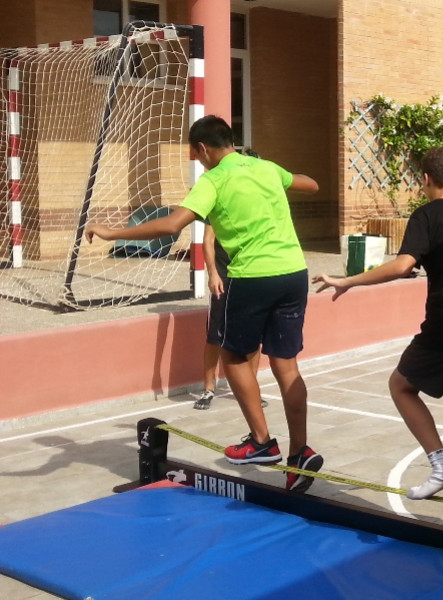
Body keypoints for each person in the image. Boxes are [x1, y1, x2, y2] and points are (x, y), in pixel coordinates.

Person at [85, 115, 326, 490]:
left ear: (202, 149)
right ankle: (300, 454)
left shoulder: (213, 181)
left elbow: (170, 226)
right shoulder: (265, 168)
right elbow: (310, 184)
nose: (198, 163)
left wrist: (110, 231)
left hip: (252, 278)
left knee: (233, 359)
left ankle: (262, 442)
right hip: (294, 273)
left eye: (196, 157)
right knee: (286, 366)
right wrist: (279, 183)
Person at [313, 147, 443, 536]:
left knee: (400, 385)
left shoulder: (425, 216)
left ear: (425, 180)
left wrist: (348, 280)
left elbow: (404, 264)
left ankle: (440, 462)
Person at [195, 148, 265, 411]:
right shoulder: (222, 194)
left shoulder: (259, 201)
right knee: (216, 335)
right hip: (224, 276)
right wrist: (212, 272)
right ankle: (208, 388)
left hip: (251, 274)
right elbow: (208, 240)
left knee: (254, 337)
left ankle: (250, 388)